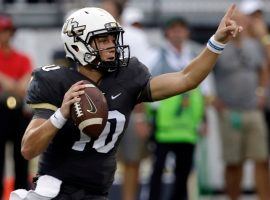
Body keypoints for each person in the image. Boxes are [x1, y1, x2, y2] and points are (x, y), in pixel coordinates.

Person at [10, 5, 242, 200]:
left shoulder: (127, 76)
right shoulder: (56, 82)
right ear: (78, 44)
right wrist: (61, 114)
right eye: (102, 39)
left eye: (113, 38)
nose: (111, 45)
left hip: (97, 192)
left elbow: (186, 78)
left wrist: (217, 42)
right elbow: (29, 149)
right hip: (55, 192)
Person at [213, 8, 270, 200]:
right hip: (230, 111)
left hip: (253, 109)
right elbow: (204, 72)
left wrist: (261, 92)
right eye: (233, 20)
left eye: (240, 20)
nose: (236, 24)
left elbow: (264, 69)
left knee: (261, 159)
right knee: (233, 162)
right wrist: (212, 98)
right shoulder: (218, 45)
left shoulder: (254, 45)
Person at [147, 17, 206, 200]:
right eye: (174, 29)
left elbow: (205, 91)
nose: (178, 33)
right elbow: (143, 87)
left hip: (188, 125)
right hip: (163, 125)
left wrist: (204, 119)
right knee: (158, 169)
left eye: (181, 29)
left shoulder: (196, 55)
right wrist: (143, 119)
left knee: (184, 170)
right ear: (167, 32)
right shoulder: (156, 56)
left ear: (187, 32)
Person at [0, 14, 32, 198]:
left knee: (21, 157)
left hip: (18, 111)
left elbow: (23, 86)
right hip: (0, 110)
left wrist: (8, 82)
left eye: (6, 31)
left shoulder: (21, 58)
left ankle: (21, 194)